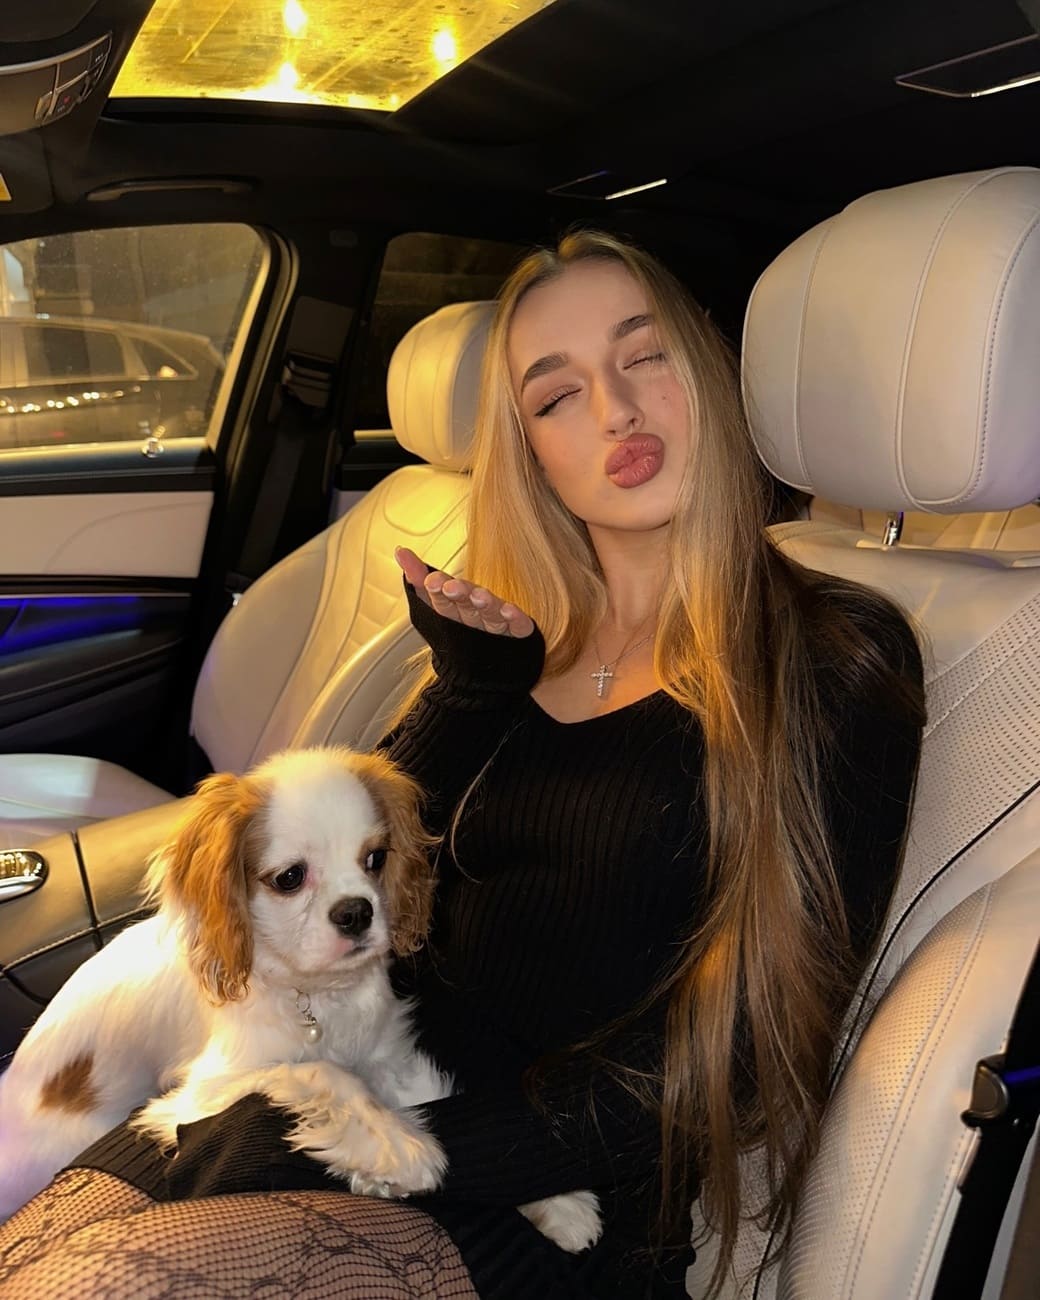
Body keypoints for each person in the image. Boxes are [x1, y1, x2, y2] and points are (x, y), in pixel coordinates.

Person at [0, 232, 925, 1300]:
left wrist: (395, 1146)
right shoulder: (512, 641)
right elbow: (359, 865)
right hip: (350, 1084)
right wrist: (470, 691)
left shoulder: (830, 654)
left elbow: (742, 1058)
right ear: (529, 449)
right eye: (557, 395)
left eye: (644, 355)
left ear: (710, 370)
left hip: (551, 1204)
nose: (615, 410)